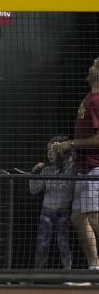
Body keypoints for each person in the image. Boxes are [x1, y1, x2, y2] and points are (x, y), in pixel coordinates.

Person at [53, 57, 99, 270]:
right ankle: (94, 268)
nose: (90, 67)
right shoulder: (89, 98)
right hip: (83, 168)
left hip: (94, 167)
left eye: (95, 65)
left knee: (92, 217)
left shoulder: (97, 100)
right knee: (78, 218)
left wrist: (70, 144)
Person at [29, 136, 75, 270]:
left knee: (63, 243)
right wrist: (34, 172)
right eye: (48, 150)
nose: (50, 153)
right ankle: (35, 274)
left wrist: (66, 147)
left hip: (63, 212)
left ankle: (69, 273)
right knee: (42, 244)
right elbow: (34, 190)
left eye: (53, 150)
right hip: (47, 212)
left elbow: (73, 153)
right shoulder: (46, 169)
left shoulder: (70, 166)